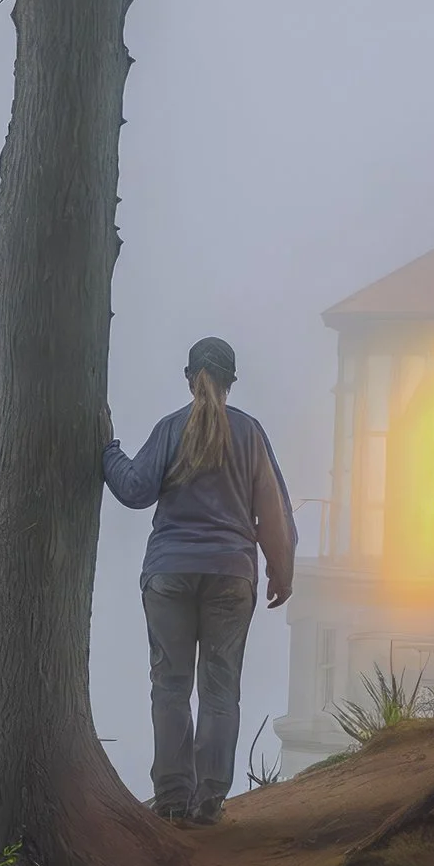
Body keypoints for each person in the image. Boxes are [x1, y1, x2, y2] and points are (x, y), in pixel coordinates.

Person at [103, 334, 296, 823]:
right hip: (232, 576)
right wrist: (281, 570)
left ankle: (171, 798)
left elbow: (133, 488)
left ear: (190, 378)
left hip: (168, 573)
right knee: (220, 688)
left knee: (169, 685)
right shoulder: (249, 433)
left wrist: (108, 451)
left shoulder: (171, 429)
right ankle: (208, 800)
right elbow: (272, 513)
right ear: (232, 381)